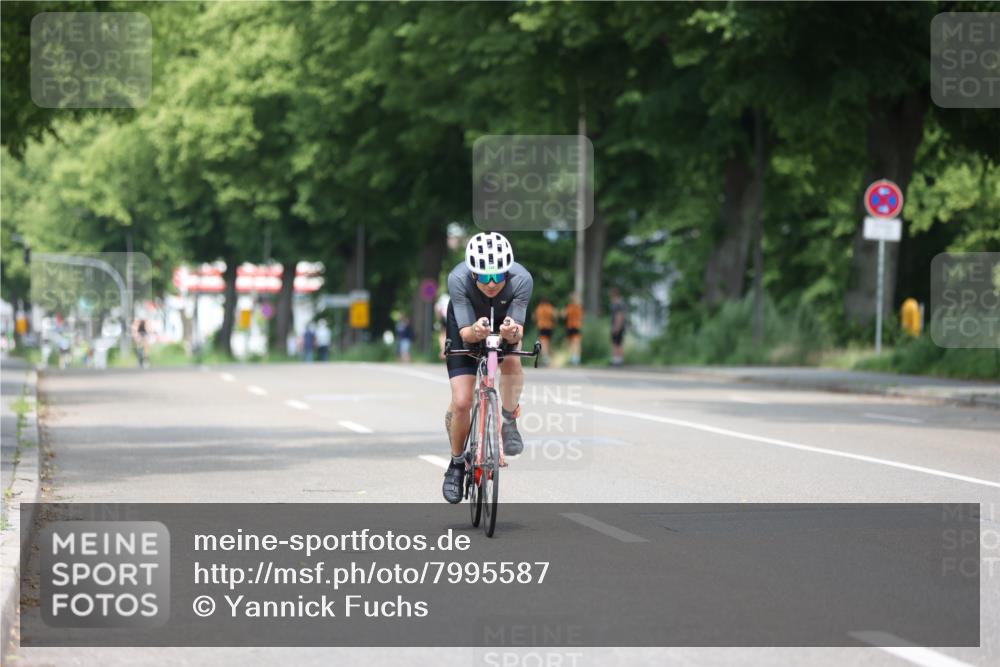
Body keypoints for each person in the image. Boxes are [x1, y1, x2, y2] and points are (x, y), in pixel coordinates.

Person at [441, 231, 533, 504]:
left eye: (498, 276)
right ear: (472, 275)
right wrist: (477, 331)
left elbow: (517, 335)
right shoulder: (458, 279)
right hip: (466, 327)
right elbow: (467, 334)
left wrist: (510, 332)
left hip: (504, 324)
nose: (492, 283)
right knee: (461, 401)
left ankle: (508, 418)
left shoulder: (522, 280)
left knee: (513, 361)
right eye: (483, 277)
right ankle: (457, 465)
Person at [563, 293, 583, 366]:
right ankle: (574, 358)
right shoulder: (577, 307)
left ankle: (575, 358)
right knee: (574, 343)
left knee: (574, 343)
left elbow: (564, 315)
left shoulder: (571, 307)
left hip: (573, 326)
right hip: (574, 326)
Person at [534, 297, 555, 365]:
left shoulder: (539, 308)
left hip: (542, 327)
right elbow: (554, 316)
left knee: (543, 342)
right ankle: (548, 357)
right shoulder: (550, 307)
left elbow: (535, 317)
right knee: (548, 342)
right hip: (549, 326)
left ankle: (545, 357)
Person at [609, 287, 627, 366]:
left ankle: (617, 360)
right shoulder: (620, 303)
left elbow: (619, 316)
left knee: (616, 343)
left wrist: (616, 327)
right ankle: (618, 359)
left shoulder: (618, 304)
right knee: (618, 343)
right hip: (619, 326)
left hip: (618, 326)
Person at [434, 293, 451, 359]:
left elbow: (437, 309)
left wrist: (438, 319)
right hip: (451, 317)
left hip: (444, 318)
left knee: (442, 334)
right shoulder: (449, 298)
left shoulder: (440, 301)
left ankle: (443, 350)